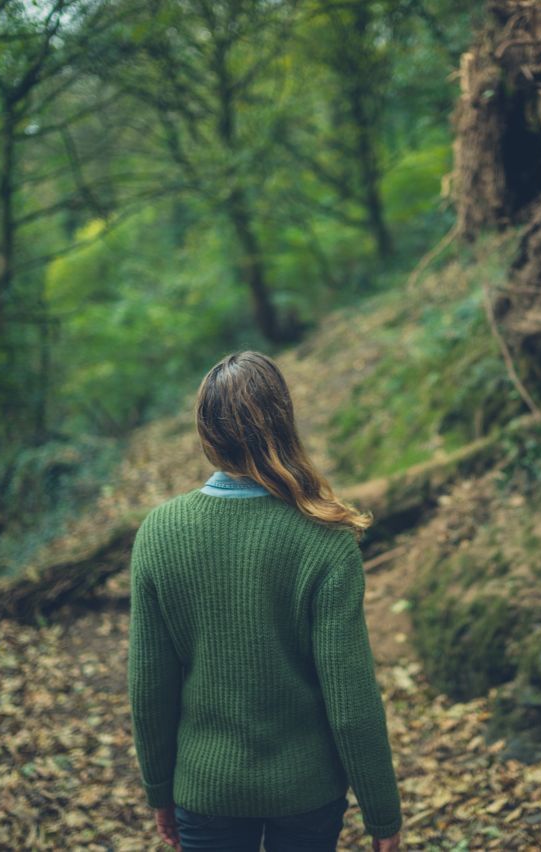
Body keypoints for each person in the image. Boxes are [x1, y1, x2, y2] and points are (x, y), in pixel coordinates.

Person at [127, 350, 403, 852]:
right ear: (283, 423)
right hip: (307, 794)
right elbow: (352, 699)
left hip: (205, 791)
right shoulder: (324, 537)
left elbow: (150, 689)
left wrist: (159, 790)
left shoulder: (158, 532)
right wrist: (382, 813)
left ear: (206, 433)